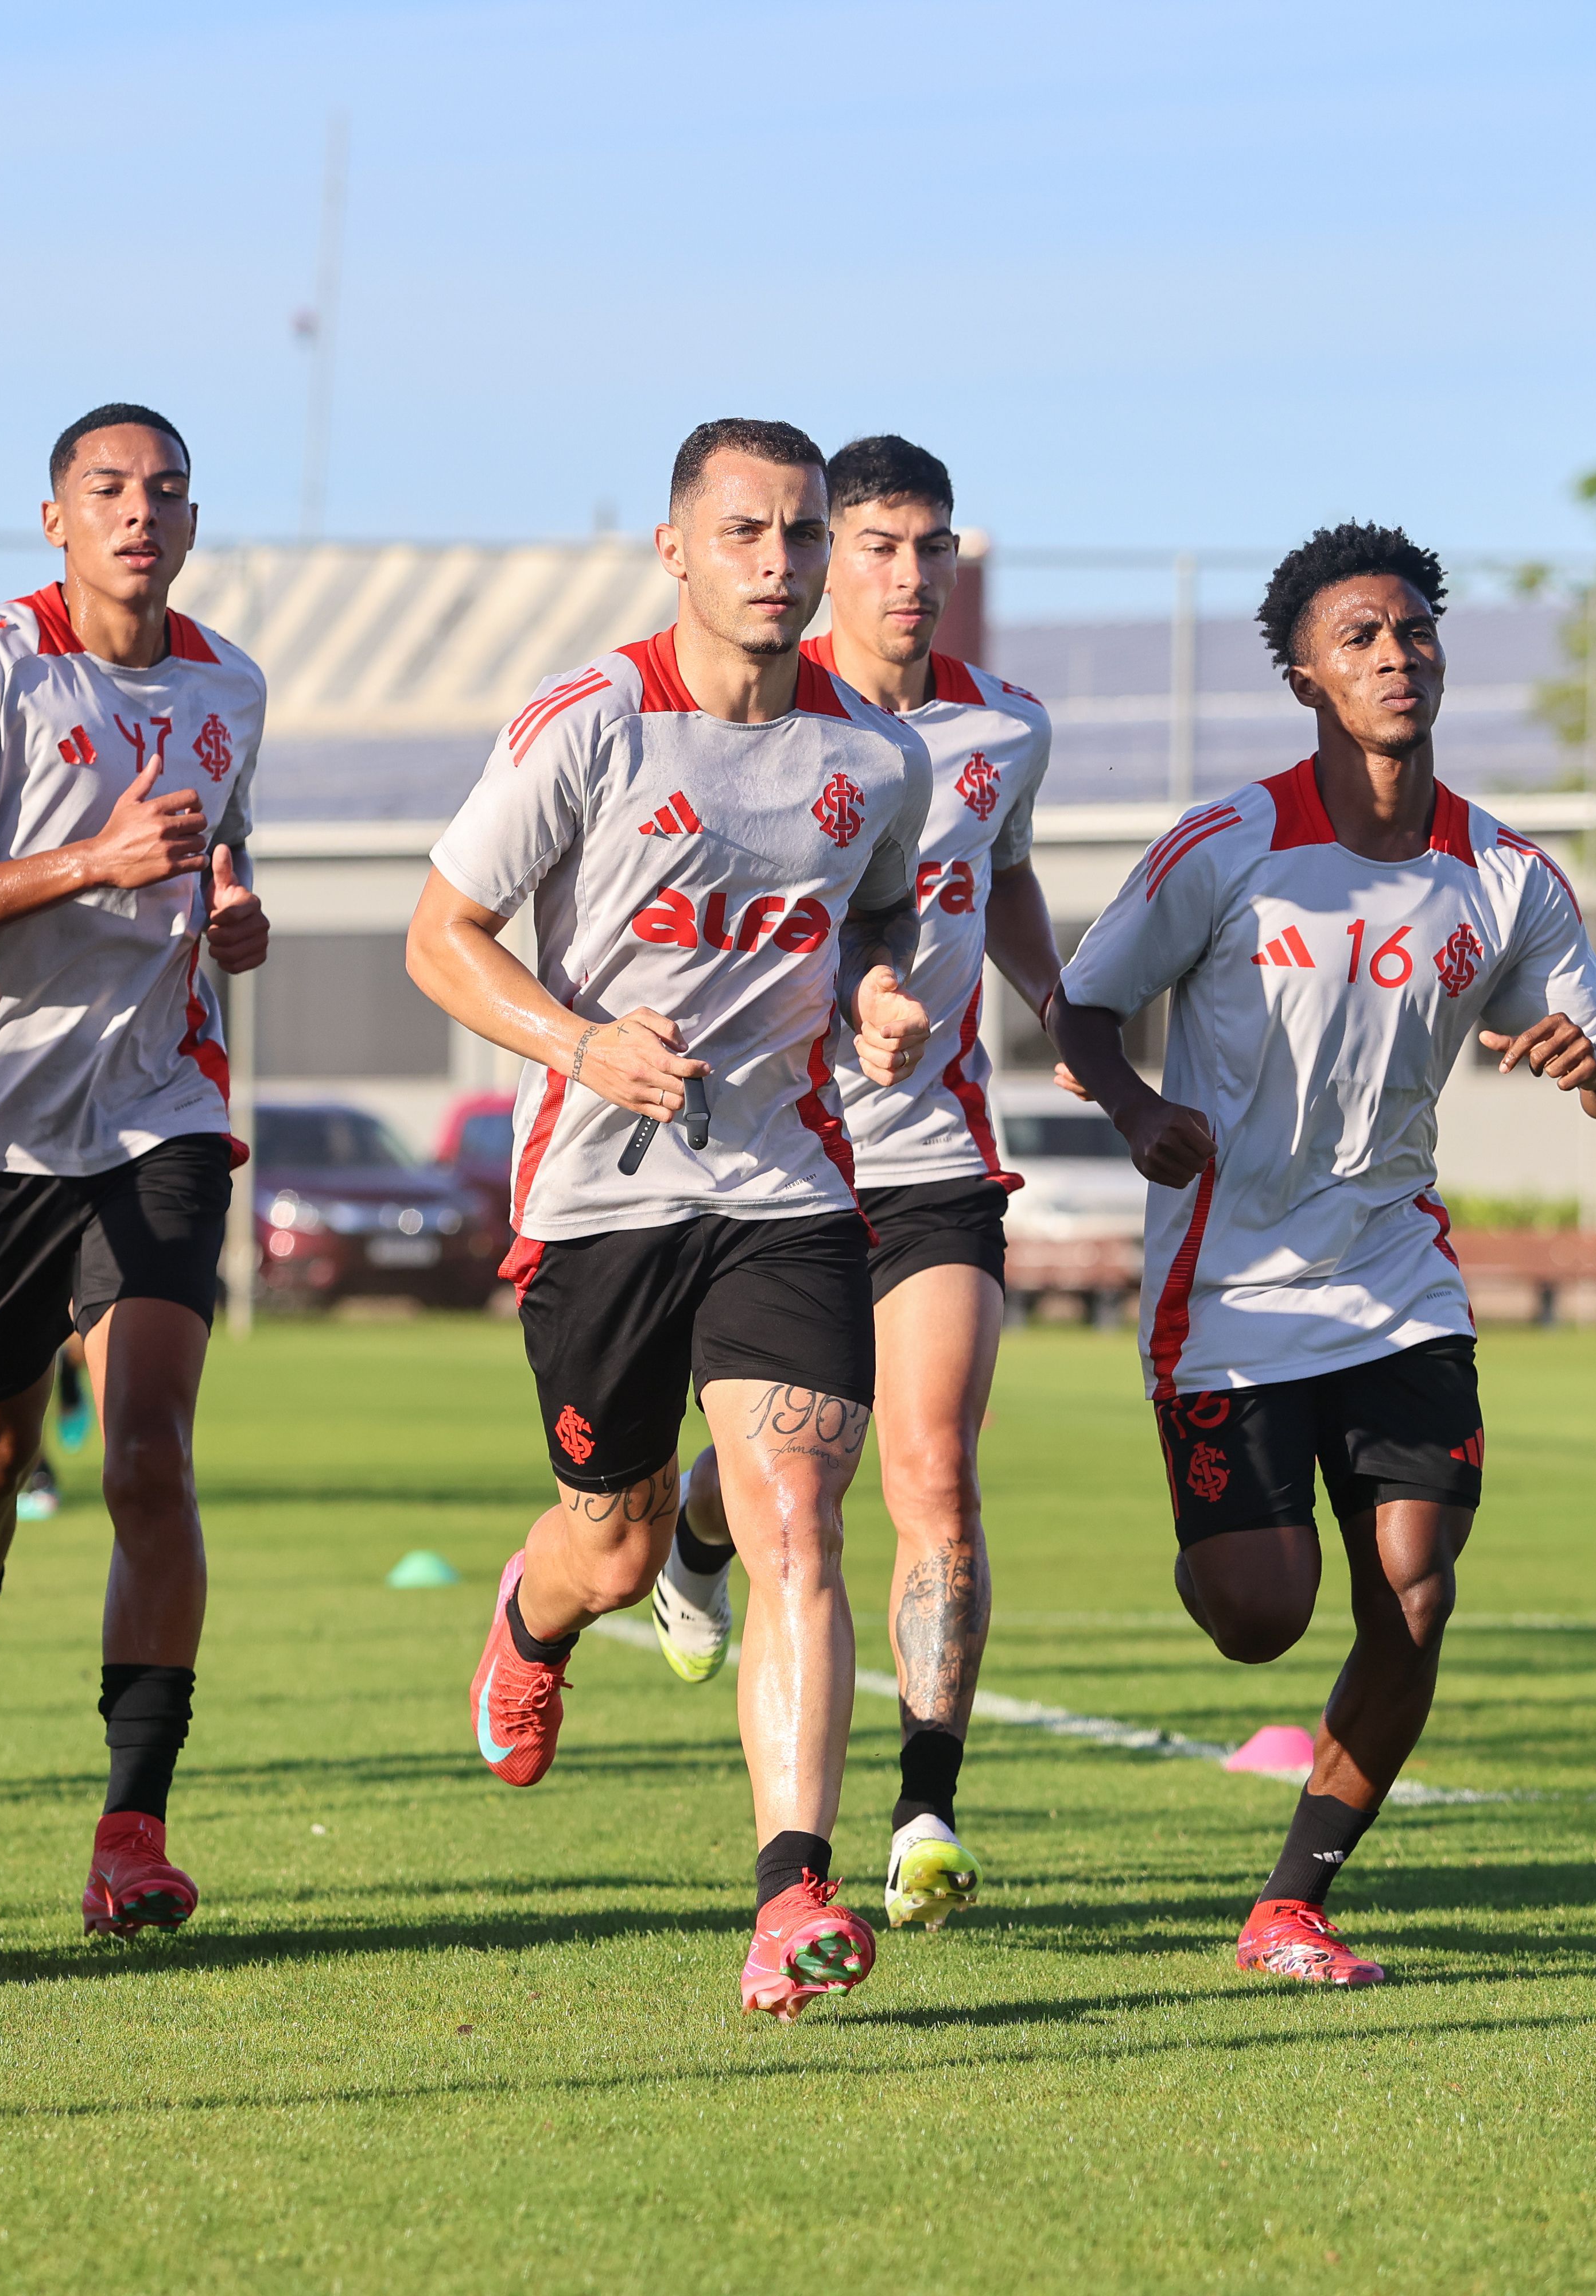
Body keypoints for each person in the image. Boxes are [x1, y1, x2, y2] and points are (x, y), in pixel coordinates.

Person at [1047, 522, 1596, 1988]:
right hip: (1228, 1289)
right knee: (1260, 1616)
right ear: (1306, 677)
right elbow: (1080, 1008)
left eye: (1415, 631)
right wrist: (1136, 1109)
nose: (1396, 656)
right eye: (1361, 638)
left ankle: (1292, 1903)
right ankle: (1221, 1537)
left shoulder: (1504, 873)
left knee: (1416, 1589)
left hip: (1396, 1278)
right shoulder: (1226, 846)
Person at [405, 417, 933, 2019]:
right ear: (677, 549)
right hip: (599, 1198)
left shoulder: (877, 755)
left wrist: (882, 993)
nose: (780, 564)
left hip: (786, 1188)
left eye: (803, 534)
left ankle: (790, 1895)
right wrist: (583, 1044)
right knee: (615, 1539)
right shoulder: (589, 722)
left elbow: (883, 911)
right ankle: (534, 1617)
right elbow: (441, 936)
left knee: (796, 1525)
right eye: (745, 533)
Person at [662, 435, 1058, 1932]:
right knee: (787, 1495)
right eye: (878, 545)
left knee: (934, 1471)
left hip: (935, 1157)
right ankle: (694, 1531)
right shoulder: (768, 719)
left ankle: (926, 1810)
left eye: (931, 548)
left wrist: (1063, 1007)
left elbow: (1003, 877)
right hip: (778, 1168)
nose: (909, 576)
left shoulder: (1006, 728)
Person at [0, 403, 267, 1937]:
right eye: (107, 489)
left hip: (160, 1114)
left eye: (165, 491)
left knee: (148, 1457)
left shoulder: (232, 683)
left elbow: (226, 855)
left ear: (192, 520)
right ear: (56, 518)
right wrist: (88, 864)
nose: (138, 512)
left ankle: (133, 1828)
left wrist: (235, 914)